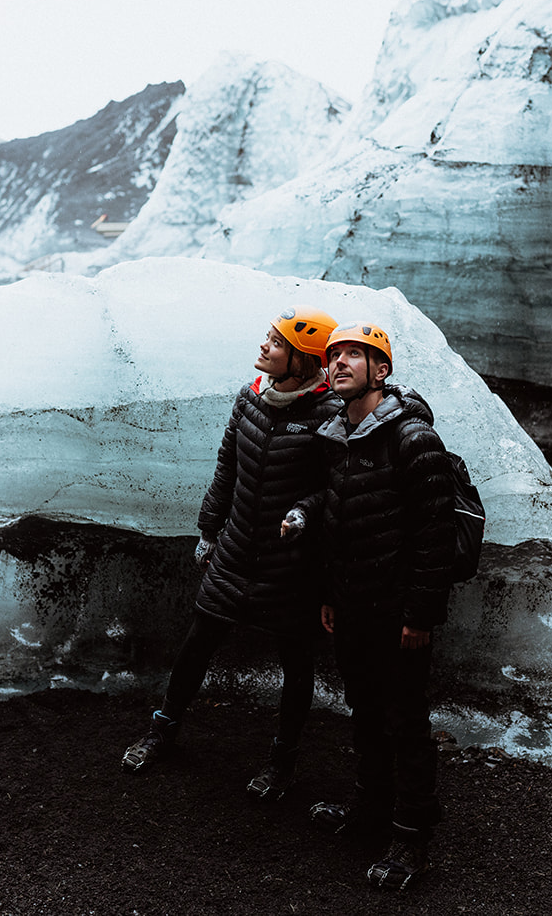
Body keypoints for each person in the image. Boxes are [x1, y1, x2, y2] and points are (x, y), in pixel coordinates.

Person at [122, 305, 342, 802]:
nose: (264, 346)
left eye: (276, 342)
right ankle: (162, 730)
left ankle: (281, 763)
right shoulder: (250, 399)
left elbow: (335, 488)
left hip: (292, 564)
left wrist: (304, 512)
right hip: (237, 548)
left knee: (295, 661)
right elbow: (227, 467)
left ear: (303, 359)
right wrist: (207, 529)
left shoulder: (329, 415)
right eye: (268, 338)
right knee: (197, 643)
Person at [280, 320, 455, 891]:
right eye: (334, 357)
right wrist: (331, 593)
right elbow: (339, 514)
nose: (341, 363)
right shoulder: (336, 437)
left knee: (405, 720)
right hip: (352, 604)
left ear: (381, 371)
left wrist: (420, 615)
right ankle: (370, 810)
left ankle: (411, 835)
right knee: (364, 712)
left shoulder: (413, 439)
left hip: (397, 610)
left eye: (356, 355)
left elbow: (435, 532)